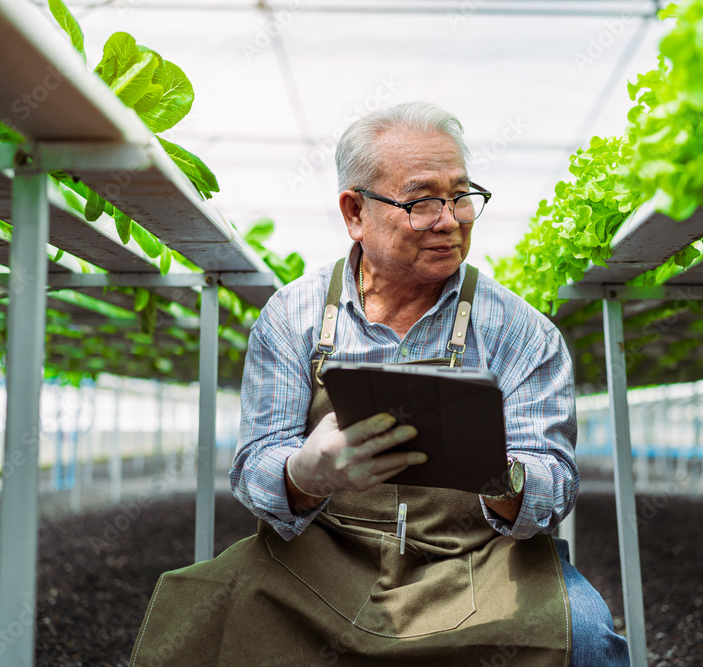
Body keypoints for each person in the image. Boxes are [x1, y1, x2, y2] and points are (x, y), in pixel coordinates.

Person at [129, 102, 629, 667]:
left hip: (477, 562)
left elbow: (557, 482)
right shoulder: (291, 317)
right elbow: (253, 467)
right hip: (320, 557)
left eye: (461, 196)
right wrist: (304, 474)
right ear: (355, 212)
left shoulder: (522, 332)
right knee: (199, 610)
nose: (449, 220)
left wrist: (504, 475)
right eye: (421, 201)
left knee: (586, 633)